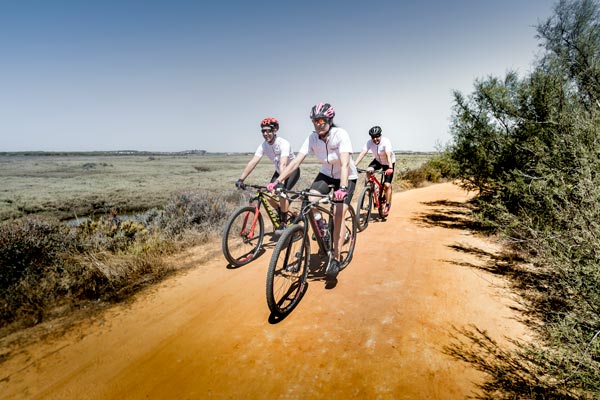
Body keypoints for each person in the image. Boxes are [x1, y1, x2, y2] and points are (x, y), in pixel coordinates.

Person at [267, 102, 358, 278]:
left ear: (329, 119)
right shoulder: (312, 138)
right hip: (326, 174)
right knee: (309, 200)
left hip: (346, 176)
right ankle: (322, 229)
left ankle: (335, 257)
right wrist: (279, 181)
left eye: (321, 120)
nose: (318, 124)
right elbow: (296, 161)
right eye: (315, 120)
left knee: (339, 213)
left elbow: (345, 163)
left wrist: (343, 188)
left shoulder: (340, 134)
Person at [236, 117, 300, 231]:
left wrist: (280, 183)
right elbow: (253, 162)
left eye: (268, 131)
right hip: (279, 172)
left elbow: (283, 164)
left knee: (281, 193)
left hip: (291, 171)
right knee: (268, 194)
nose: (266, 134)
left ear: (275, 130)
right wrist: (241, 179)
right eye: (263, 131)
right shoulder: (263, 146)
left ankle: (284, 222)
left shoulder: (284, 143)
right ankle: (281, 210)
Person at [354, 125, 395, 215]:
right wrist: (354, 165)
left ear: (380, 135)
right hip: (378, 161)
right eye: (373, 137)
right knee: (368, 170)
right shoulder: (369, 142)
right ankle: (374, 187)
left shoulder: (386, 141)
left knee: (387, 185)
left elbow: (388, 155)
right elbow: (362, 153)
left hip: (388, 163)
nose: (375, 139)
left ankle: (387, 205)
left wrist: (390, 168)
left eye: (377, 136)